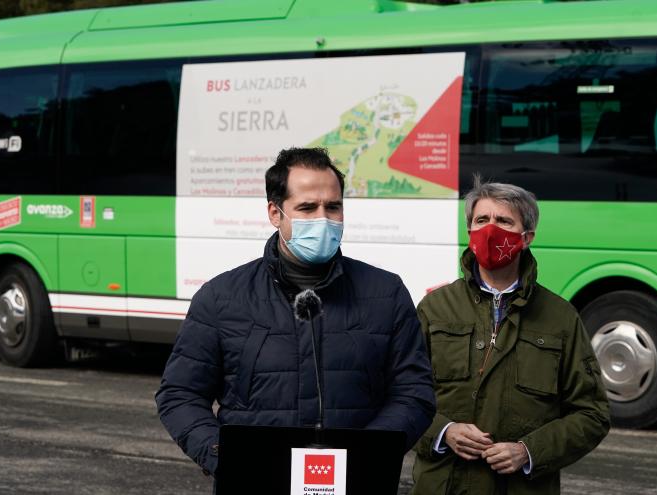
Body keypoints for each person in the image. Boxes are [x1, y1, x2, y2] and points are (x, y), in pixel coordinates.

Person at [156, 147, 436, 477]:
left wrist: (367, 454)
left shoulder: (386, 293)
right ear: (275, 213)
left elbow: (414, 392)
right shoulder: (220, 298)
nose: (323, 218)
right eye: (307, 207)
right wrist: (225, 457)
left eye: (333, 207)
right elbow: (180, 394)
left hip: (355, 482)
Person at [411, 179, 610, 495]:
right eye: (482, 220)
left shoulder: (560, 317)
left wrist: (529, 451)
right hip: (443, 486)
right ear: (469, 231)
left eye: (504, 221)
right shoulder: (435, 309)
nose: (490, 230)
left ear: (527, 237)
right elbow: (400, 395)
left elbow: (592, 414)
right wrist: (443, 432)